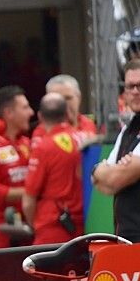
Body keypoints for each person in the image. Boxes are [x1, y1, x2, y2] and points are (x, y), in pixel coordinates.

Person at [22, 93, 84, 244]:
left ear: (40, 116)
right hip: (85, 225)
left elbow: (28, 200)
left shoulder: (43, 147)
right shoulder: (86, 138)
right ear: (67, 113)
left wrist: (33, 224)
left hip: (53, 227)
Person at [92, 59, 140, 242]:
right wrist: (97, 170)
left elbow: (114, 180)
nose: (135, 92)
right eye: (130, 87)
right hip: (126, 239)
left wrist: (106, 172)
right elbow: (102, 184)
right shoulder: (129, 128)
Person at [0, 86, 33, 249]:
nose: (31, 112)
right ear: (9, 113)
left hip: (28, 226)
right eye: (25, 107)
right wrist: (31, 193)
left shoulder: (28, 143)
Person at [43, 74, 100, 147]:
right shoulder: (42, 132)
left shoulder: (90, 124)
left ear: (79, 98)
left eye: (68, 98)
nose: (63, 104)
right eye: (57, 99)